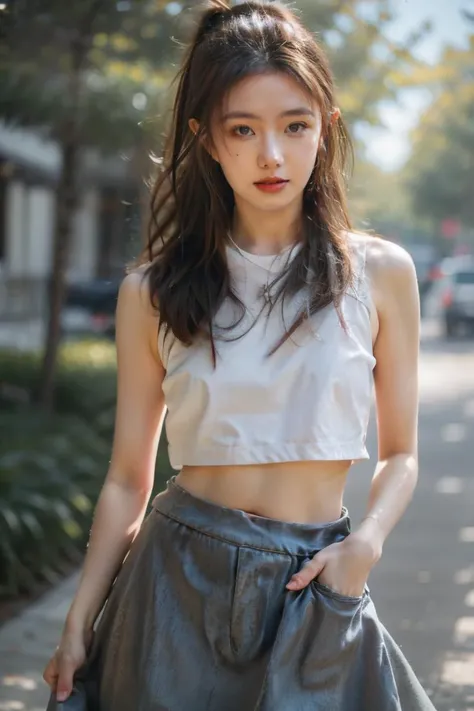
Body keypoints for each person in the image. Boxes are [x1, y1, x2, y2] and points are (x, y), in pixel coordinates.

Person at [43, 1, 436, 709]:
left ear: (327, 128)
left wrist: (365, 546)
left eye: (295, 125)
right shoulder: (154, 291)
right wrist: (79, 617)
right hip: (173, 587)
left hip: (317, 580)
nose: (272, 155)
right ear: (207, 141)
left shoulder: (380, 273)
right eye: (243, 130)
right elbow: (128, 480)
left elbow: (401, 452)